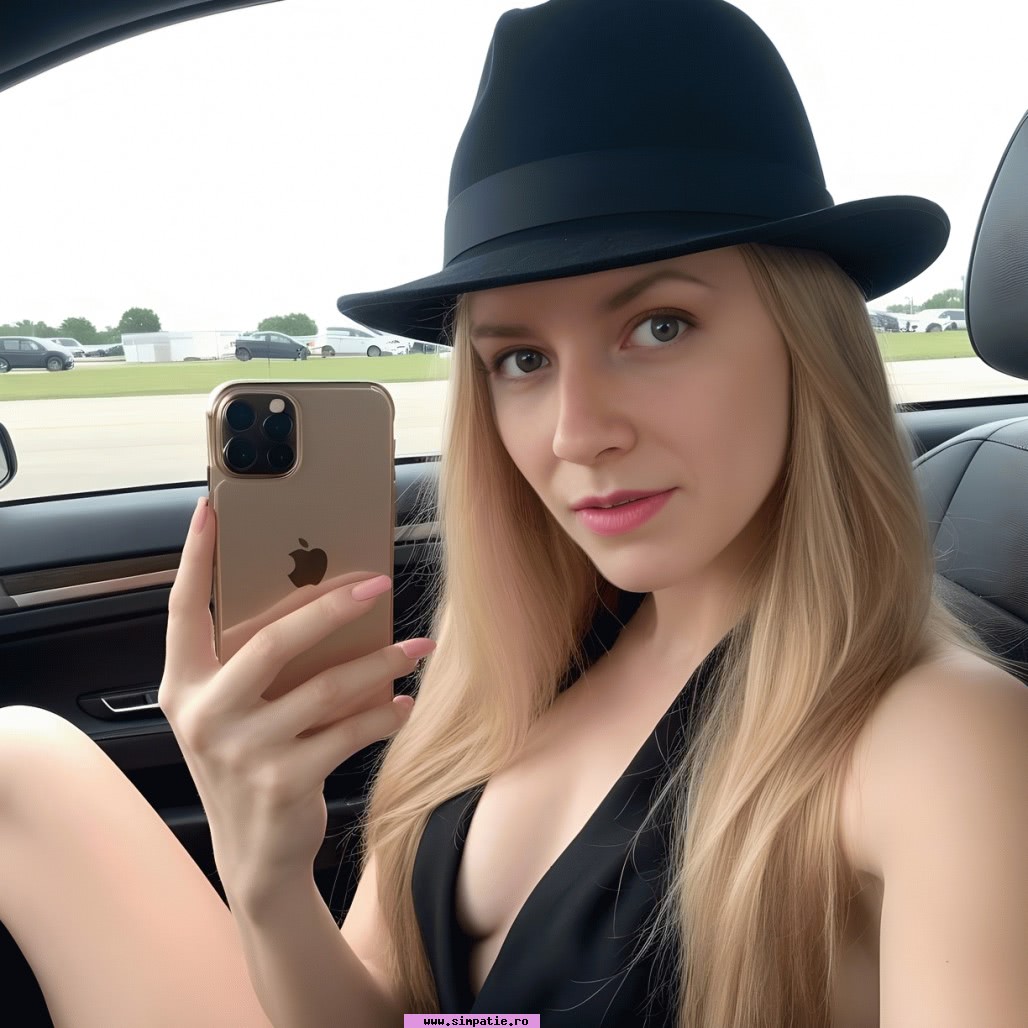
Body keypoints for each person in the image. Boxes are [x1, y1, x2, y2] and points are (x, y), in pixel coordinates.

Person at [1, 0, 1026, 1025]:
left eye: (659, 326)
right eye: (522, 358)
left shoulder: (942, 740)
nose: (576, 432)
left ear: (809, 344)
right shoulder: (507, 663)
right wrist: (263, 869)